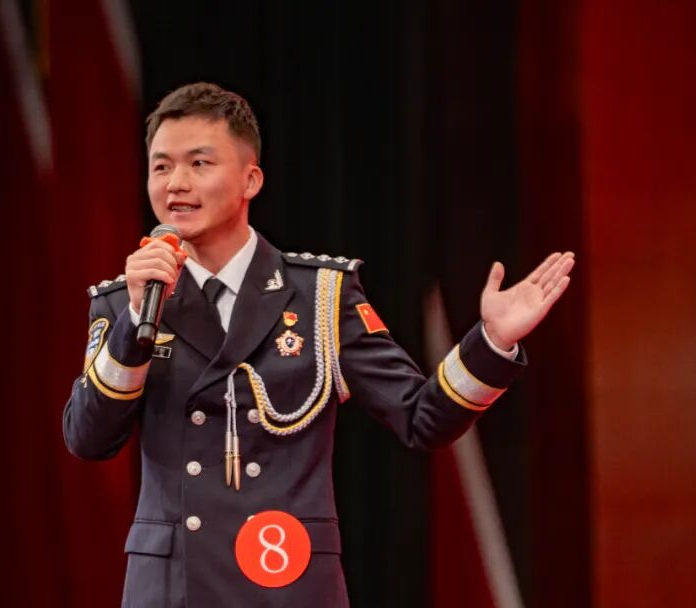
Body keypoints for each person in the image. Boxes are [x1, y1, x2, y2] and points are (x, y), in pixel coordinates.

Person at [63, 82, 574, 608]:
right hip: (173, 587)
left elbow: (420, 417)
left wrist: (492, 342)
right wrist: (135, 321)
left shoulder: (320, 296)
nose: (176, 184)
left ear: (250, 179)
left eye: (199, 163)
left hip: (286, 579)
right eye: (161, 167)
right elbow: (87, 438)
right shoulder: (125, 302)